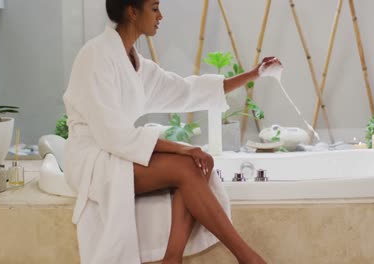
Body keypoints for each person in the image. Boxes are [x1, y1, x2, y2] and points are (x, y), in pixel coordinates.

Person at [63, 0, 282, 263]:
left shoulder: (135, 62)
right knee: (187, 166)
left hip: (119, 150)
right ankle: (246, 258)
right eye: (154, 8)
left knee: (194, 166)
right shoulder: (96, 55)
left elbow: (187, 91)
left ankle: (174, 258)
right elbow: (112, 135)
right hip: (94, 159)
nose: (161, 16)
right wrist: (184, 148)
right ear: (132, 12)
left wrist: (253, 74)